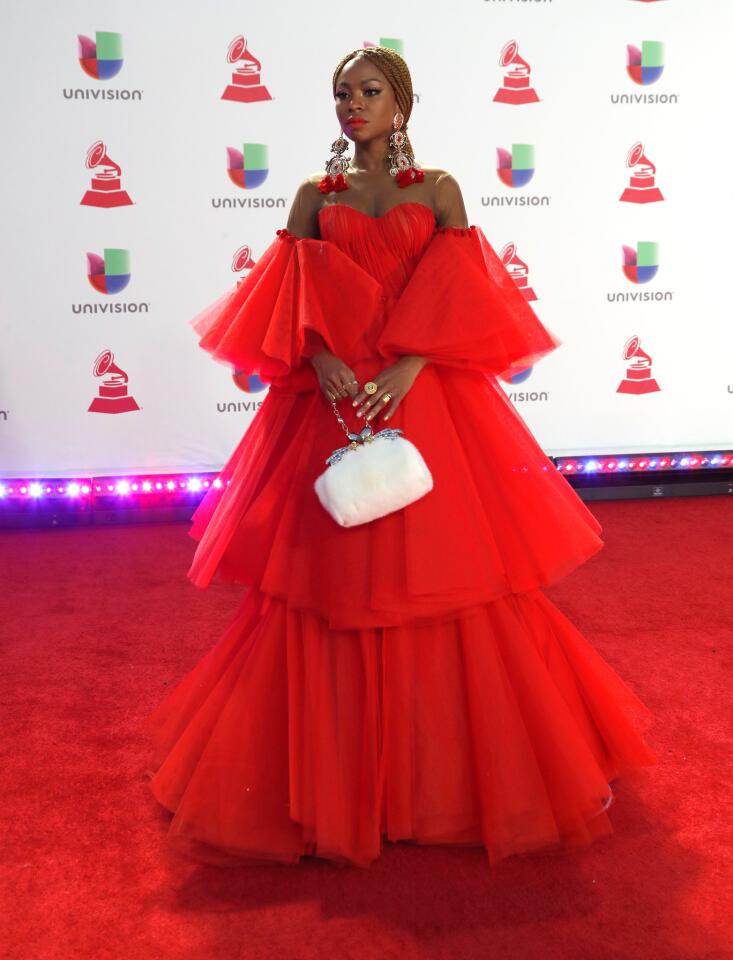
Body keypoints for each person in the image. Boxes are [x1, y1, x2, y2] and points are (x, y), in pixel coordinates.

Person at [144, 45, 657, 868]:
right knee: (330, 579)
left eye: (369, 91)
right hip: (337, 399)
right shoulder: (317, 196)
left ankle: (445, 780)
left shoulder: (438, 190)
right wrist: (320, 363)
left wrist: (415, 363)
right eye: (341, 93)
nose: (353, 106)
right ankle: (328, 785)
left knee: (454, 574)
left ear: (402, 103)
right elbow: (287, 304)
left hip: (424, 399)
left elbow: (465, 292)